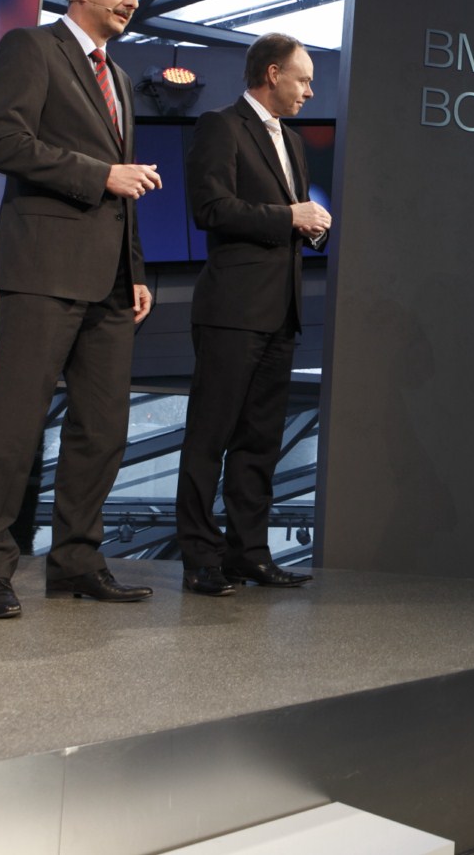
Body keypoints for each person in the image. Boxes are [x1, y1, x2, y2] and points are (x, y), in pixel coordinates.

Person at [0, 0, 162, 618]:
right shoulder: (32, 49)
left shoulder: (119, 76)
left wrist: (134, 271)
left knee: (103, 430)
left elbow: (126, 187)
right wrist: (98, 174)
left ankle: (76, 562)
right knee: (15, 424)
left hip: (110, 281)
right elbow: (1, 142)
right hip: (43, 266)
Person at [174, 33, 332, 596]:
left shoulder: (294, 142)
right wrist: (290, 216)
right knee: (209, 437)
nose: (309, 92)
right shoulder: (221, 125)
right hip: (231, 310)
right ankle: (200, 558)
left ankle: (250, 554)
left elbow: (288, 219)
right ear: (272, 73)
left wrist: (310, 227)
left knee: (260, 443)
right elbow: (211, 208)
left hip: (280, 312)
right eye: (303, 80)